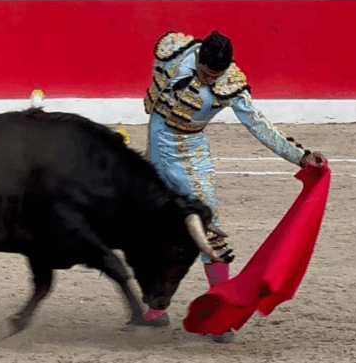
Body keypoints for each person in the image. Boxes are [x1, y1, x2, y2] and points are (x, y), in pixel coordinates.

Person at [139, 30, 325, 342]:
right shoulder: (173, 49)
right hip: (156, 146)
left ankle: (221, 311)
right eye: (207, 73)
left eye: (217, 75)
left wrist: (301, 156)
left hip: (189, 154)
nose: (212, 80)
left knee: (209, 229)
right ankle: (158, 305)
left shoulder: (232, 85)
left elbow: (260, 125)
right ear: (198, 58)